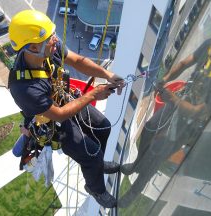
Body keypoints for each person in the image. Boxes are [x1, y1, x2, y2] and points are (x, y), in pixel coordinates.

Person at [119, 13, 211, 207]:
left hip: (189, 124)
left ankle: (130, 195)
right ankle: (136, 165)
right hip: (180, 102)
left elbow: (200, 112)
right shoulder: (209, 46)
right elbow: (184, 63)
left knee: (156, 156)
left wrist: (172, 98)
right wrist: (166, 79)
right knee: (149, 127)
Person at [7, 10, 124, 208]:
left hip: (62, 98)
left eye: (52, 35)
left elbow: (78, 61)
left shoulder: (49, 48)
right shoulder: (25, 87)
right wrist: (94, 94)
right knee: (91, 154)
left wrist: (108, 74)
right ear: (33, 47)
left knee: (103, 127)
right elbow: (60, 115)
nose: (55, 39)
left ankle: (96, 166)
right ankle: (96, 188)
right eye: (49, 38)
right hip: (51, 122)